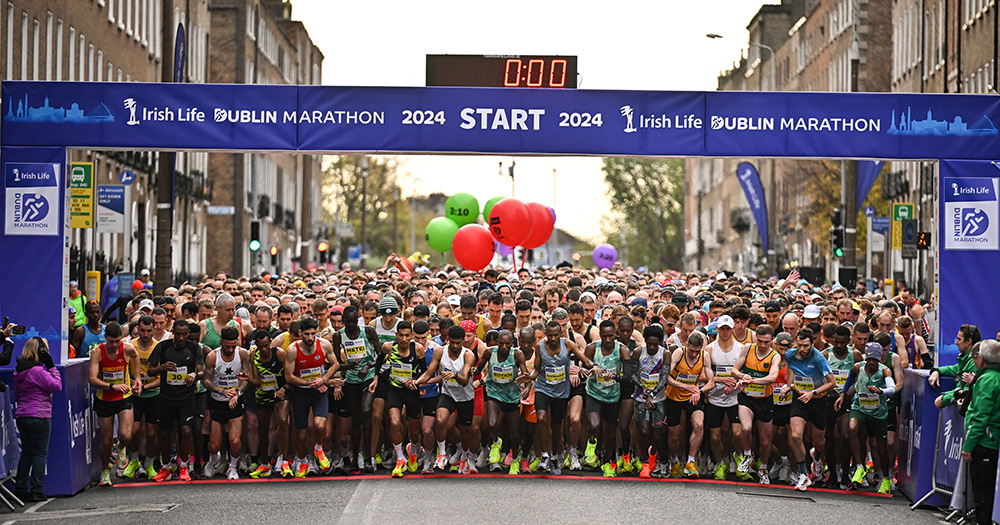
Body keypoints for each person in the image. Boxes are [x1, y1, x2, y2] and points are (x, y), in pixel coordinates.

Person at [147, 320, 204, 482]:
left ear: (188, 334)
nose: (180, 337)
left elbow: (201, 371)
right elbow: (150, 370)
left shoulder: (194, 349)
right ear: (173, 332)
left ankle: (184, 466)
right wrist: (161, 368)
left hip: (186, 397)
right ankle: (165, 468)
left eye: (184, 334)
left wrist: (194, 375)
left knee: (186, 431)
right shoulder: (163, 347)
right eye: (177, 334)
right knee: (164, 433)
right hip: (166, 397)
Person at [834, 342, 895, 493]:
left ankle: (886, 478)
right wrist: (843, 394)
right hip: (860, 408)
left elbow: (892, 388)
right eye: (870, 359)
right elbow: (850, 378)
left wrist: (881, 390)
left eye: (875, 359)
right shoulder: (858, 367)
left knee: (881, 447)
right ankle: (859, 467)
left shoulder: (884, 371)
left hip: (878, 412)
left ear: (880, 358)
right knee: (852, 428)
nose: (872, 363)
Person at [416, 325, 478, 474]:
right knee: (440, 419)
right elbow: (429, 372)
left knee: (465, 431)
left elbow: (464, 380)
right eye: (453, 342)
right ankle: (442, 453)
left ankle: (464, 457)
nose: (455, 346)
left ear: (464, 341)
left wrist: (454, 376)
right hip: (448, 393)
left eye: (459, 343)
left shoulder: (468, 355)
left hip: (465, 396)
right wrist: (416, 382)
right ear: (448, 339)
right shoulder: (440, 352)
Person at [284, 317, 338, 478]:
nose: (309, 338)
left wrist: (324, 379)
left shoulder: (324, 345)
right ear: (300, 333)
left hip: (319, 390)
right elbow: (288, 376)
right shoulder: (293, 349)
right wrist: (308, 383)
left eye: (313, 334)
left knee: (320, 425)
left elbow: (335, 364)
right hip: (302, 392)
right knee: (301, 434)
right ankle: (303, 462)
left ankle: (319, 448)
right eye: (306, 334)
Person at [89, 322, 142, 487]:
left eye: (117, 341)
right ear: (105, 338)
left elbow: (135, 359)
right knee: (106, 441)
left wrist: (137, 379)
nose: (114, 345)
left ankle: (121, 447)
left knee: (126, 435)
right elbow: (92, 379)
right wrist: (112, 386)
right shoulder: (97, 352)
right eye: (111, 341)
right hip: (104, 399)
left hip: (123, 397)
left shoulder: (127, 349)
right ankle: (105, 469)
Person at [782, 328, 835, 491]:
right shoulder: (790, 354)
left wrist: (812, 393)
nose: (802, 349)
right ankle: (803, 475)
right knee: (796, 435)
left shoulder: (818, 358)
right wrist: (789, 385)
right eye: (800, 345)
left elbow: (831, 383)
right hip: (799, 398)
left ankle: (818, 457)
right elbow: (791, 367)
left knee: (818, 441)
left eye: (806, 346)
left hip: (818, 400)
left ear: (812, 344)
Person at [731, 324, 781, 484]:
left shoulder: (775, 356)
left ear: (772, 340)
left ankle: (763, 469)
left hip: (765, 400)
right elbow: (734, 370)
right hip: (747, 397)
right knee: (745, 428)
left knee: (765, 441)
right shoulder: (747, 349)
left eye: (766, 342)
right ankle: (747, 454)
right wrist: (742, 375)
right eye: (760, 341)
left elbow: (772, 377)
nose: (763, 345)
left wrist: (752, 380)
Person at [13, 337, 61, 501]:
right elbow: (57, 386)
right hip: (39, 415)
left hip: (22, 414)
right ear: (40, 351)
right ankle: (37, 490)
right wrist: (52, 366)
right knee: (40, 454)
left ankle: (20, 488)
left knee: (27, 453)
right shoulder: (38, 371)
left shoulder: (19, 371)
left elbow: (18, 395)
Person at [202, 327, 252, 480]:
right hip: (218, 401)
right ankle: (213, 459)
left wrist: (238, 392)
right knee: (214, 444)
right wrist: (221, 391)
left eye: (233, 345)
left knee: (234, 441)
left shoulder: (242, 354)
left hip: (235, 401)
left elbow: (248, 379)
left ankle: (232, 467)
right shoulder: (212, 356)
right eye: (227, 346)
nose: (231, 349)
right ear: (221, 341)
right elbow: (206, 381)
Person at [663, 331, 712, 479]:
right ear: (686, 345)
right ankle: (674, 460)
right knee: (674, 435)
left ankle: (691, 461)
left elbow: (711, 382)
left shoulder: (704, 356)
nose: (694, 354)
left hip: (692, 397)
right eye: (692, 351)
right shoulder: (679, 353)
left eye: (697, 351)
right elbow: (665, 376)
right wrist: (684, 386)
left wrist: (700, 391)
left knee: (699, 425)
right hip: (674, 397)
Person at [962, 339, 1000, 525]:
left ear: (982, 359)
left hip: (985, 442)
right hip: (991, 442)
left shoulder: (986, 380)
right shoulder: (994, 377)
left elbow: (980, 416)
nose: (974, 360)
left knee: (982, 493)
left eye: (976, 357)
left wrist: (968, 446)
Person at [243, 329, 291, 478]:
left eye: (266, 345)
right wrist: (246, 378)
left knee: (283, 420)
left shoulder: (279, 353)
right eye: (260, 346)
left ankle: (284, 461)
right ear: (256, 345)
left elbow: (291, 374)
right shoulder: (254, 357)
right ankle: (264, 464)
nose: (264, 349)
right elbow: (256, 382)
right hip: (263, 393)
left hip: (280, 392)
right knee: (263, 428)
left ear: (270, 342)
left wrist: (284, 388)